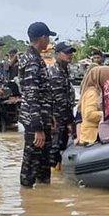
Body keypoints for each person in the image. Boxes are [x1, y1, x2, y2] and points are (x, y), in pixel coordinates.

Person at [18, 22, 56, 188]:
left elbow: (42, 93)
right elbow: (32, 95)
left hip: (42, 118)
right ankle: (28, 204)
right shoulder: (32, 61)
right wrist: (38, 128)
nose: (49, 41)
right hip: (36, 121)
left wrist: (50, 115)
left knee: (43, 166)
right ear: (43, 37)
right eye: (48, 37)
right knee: (31, 167)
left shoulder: (34, 57)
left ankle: (43, 203)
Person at [47, 42, 77, 170]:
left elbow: (68, 97)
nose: (70, 55)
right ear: (58, 54)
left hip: (65, 116)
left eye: (71, 52)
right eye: (66, 53)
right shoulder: (53, 72)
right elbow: (54, 98)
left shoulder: (66, 71)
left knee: (62, 147)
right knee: (54, 150)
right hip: (55, 118)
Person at [76, 66, 109, 145]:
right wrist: (107, 114)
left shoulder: (95, 91)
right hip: (91, 137)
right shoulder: (93, 93)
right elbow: (89, 114)